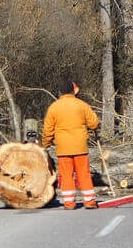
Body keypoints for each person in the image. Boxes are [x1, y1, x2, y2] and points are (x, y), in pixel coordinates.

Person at [41, 77, 100, 209]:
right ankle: (89, 202)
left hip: (63, 148)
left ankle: (69, 203)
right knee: (83, 174)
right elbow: (94, 123)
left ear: (59, 93)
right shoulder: (82, 105)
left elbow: (47, 129)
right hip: (80, 146)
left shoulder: (54, 107)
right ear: (73, 91)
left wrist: (45, 143)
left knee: (66, 175)